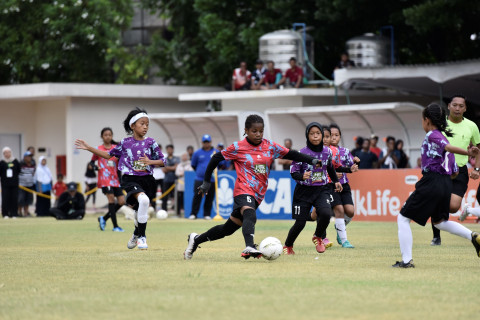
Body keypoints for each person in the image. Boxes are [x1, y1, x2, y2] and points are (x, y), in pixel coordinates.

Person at [183, 114, 322, 260]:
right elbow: (216, 158)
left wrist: (311, 160)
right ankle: (249, 246)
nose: (258, 134)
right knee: (250, 213)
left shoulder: (270, 146)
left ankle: (195, 240)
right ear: (246, 131)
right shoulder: (237, 147)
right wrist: (206, 182)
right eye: (254, 131)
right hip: (243, 189)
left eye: (261, 131)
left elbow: (291, 154)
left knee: (227, 229)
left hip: (258, 194)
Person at [393, 103, 480, 268]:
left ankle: (406, 261)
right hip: (446, 183)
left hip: (431, 181)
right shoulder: (443, 137)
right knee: (439, 222)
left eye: (422, 119)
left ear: (427, 120)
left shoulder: (433, 135)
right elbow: (454, 172)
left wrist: (468, 152)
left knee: (403, 218)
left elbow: (448, 147)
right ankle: (473, 236)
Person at [75, 107, 165, 250]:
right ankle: (142, 238)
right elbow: (107, 155)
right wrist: (89, 147)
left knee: (139, 213)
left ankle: (136, 234)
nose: (145, 127)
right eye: (142, 123)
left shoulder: (151, 142)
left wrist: (150, 162)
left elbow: (162, 161)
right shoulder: (125, 143)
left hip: (148, 180)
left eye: (147, 124)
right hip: (130, 180)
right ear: (132, 126)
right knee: (144, 200)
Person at [283, 122, 342, 255]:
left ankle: (318, 236)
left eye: (318, 133)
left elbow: (330, 167)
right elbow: (293, 172)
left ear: (322, 135)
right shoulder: (301, 153)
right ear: (307, 135)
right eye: (312, 134)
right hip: (303, 192)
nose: (315, 136)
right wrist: (302, 176)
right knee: (300, 223)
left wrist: (336, 181)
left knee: (326, 214)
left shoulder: (327, 152)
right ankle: (288, 246)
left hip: (321, 189)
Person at [431, 94, 480, 246]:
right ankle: (436, 236)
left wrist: (477, 168)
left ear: (465, 108)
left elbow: (478, 149)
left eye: (461, 106)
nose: (457, 108)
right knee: (437, 199)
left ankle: (437, 208)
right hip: (440, 170)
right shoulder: (440, 124)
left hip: (461, 170)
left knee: (453, 207)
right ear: (449, 107)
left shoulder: (472, 126)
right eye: (455, 105)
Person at [329, 123, 359, 248]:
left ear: (340, 137)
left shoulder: (345, 151)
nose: (334, 137)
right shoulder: (326, 151)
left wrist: (355, 164)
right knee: (338, 211)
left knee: (350, 212)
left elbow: (352, 165)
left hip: (344, 185)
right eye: (331, 135)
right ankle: (344, 240)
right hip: (331, 185)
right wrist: (334, 174)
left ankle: (339, 228)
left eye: (336, 135)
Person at [92, 127, 126, 232]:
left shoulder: (116, 148)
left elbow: (120, 164)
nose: (108, 136)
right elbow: (92, 162)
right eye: (106, 135)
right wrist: (94, 167)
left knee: (121, 201)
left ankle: (104, 218)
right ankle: (115, 226)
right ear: (102, 136)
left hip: (115, 179)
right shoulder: (98, 149)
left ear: (112, 136)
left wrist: (121, 179)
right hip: (104, 179)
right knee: (111, 199)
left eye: (110, 135)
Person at [189, 134, 219, 220]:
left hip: (212, 179)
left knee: (209, 197)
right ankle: (193, 214)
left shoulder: (215, 152)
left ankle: (207, 214)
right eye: (205, 142)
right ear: (202, 142)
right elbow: (193, 165)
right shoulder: (197, 153)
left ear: (210, 142)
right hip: (199, 179)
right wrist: (202, 172)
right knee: (197, 196)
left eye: (208, 142)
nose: (206, 144)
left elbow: (220, 164)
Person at [0, 147, 20, 218]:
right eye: (5, 153)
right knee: (5, 199)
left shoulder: (15, 161)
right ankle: (5, 214)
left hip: (14, 183)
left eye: (8, 152)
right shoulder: (2, 162)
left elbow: (18, 170)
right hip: (5, 184)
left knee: (14, 198)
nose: (7, 154)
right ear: (3, 154)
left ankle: (14, 213)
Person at [161, 144, 179, 212]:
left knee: (176, 196)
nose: (169, 150)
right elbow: (163, 170)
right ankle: (164, 210)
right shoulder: (164, 159)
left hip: (175, 180)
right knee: (165, 196)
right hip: (166, 180)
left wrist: (168, 168)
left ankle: (177, 211)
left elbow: (176, 167)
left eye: (170, 149)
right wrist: (172, 167)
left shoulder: (176, 158)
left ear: (173, 150)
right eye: (168, 149)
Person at [175, 153, 193, 217]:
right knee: (179, 198)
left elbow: (191, 171)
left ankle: (188, 212)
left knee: (188, 198)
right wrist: (182, 173)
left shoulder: (190, 163)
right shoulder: (179, 165)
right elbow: (177, 173)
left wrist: (184, 173)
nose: (184, 157)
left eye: (185, 156)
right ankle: (178, 213)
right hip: (180, 183)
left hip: (188, 184)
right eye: (183, 156)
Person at [18, 151, 35, 217]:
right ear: (25, 157)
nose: (29, 158)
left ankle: (26, 213)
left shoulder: (33, 164)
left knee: (28, 199)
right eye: (28, 156)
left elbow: (33, 173)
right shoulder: (21, 164)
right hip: (22, 185)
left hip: (29, 185)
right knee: (21, 199)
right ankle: (19, 212)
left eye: (30, 157)